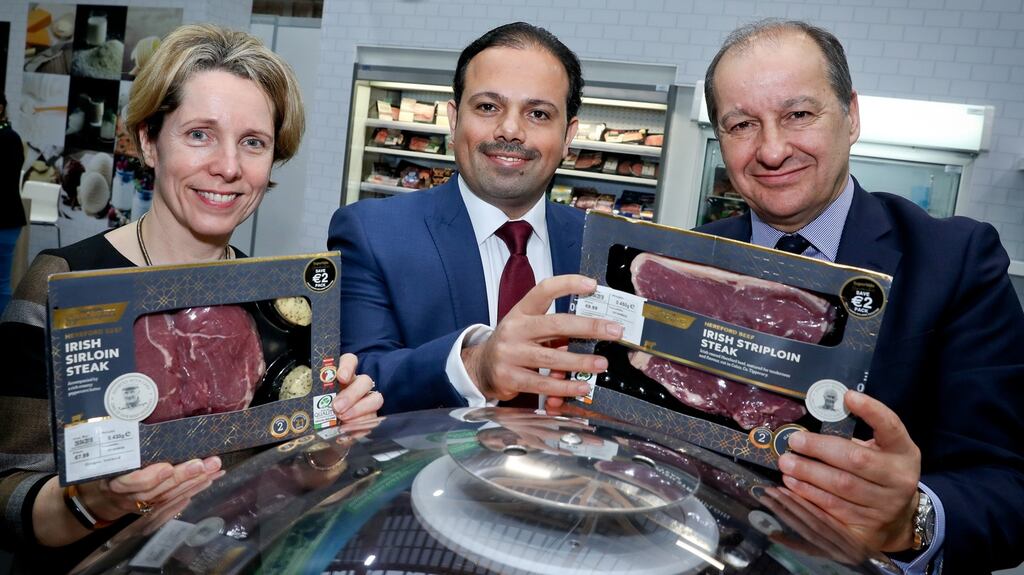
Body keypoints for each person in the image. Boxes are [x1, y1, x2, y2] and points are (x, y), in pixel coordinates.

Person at [0, 24, 381, 572]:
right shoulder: (65, 280)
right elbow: (8, 490)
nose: (228, 166)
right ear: (150, 141)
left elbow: (279, 482)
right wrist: (93, 502)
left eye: (253, 142)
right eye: (200, 133)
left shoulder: (277, 302)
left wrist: (326, 448)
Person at [698, 19, 1024, 574]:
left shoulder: (957, 262)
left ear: (851, 115)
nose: (772, 149)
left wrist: (911, 519)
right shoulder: (695, 261)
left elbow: (1009, 483)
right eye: (742, 124)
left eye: (799, 115)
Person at [329, 22, 622, 415]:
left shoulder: (604, 249)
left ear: (569, 136)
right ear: (454, 120)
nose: (510, 130)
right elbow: (355, 378)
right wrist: (474, 366)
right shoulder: (372, 233)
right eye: (488, 107)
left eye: (538, 113)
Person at [0, 93, 27, 313]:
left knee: (1, 286)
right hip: (9, 220)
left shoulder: (8, 139)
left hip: (5, 220)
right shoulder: (13, 138)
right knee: (2, 284)